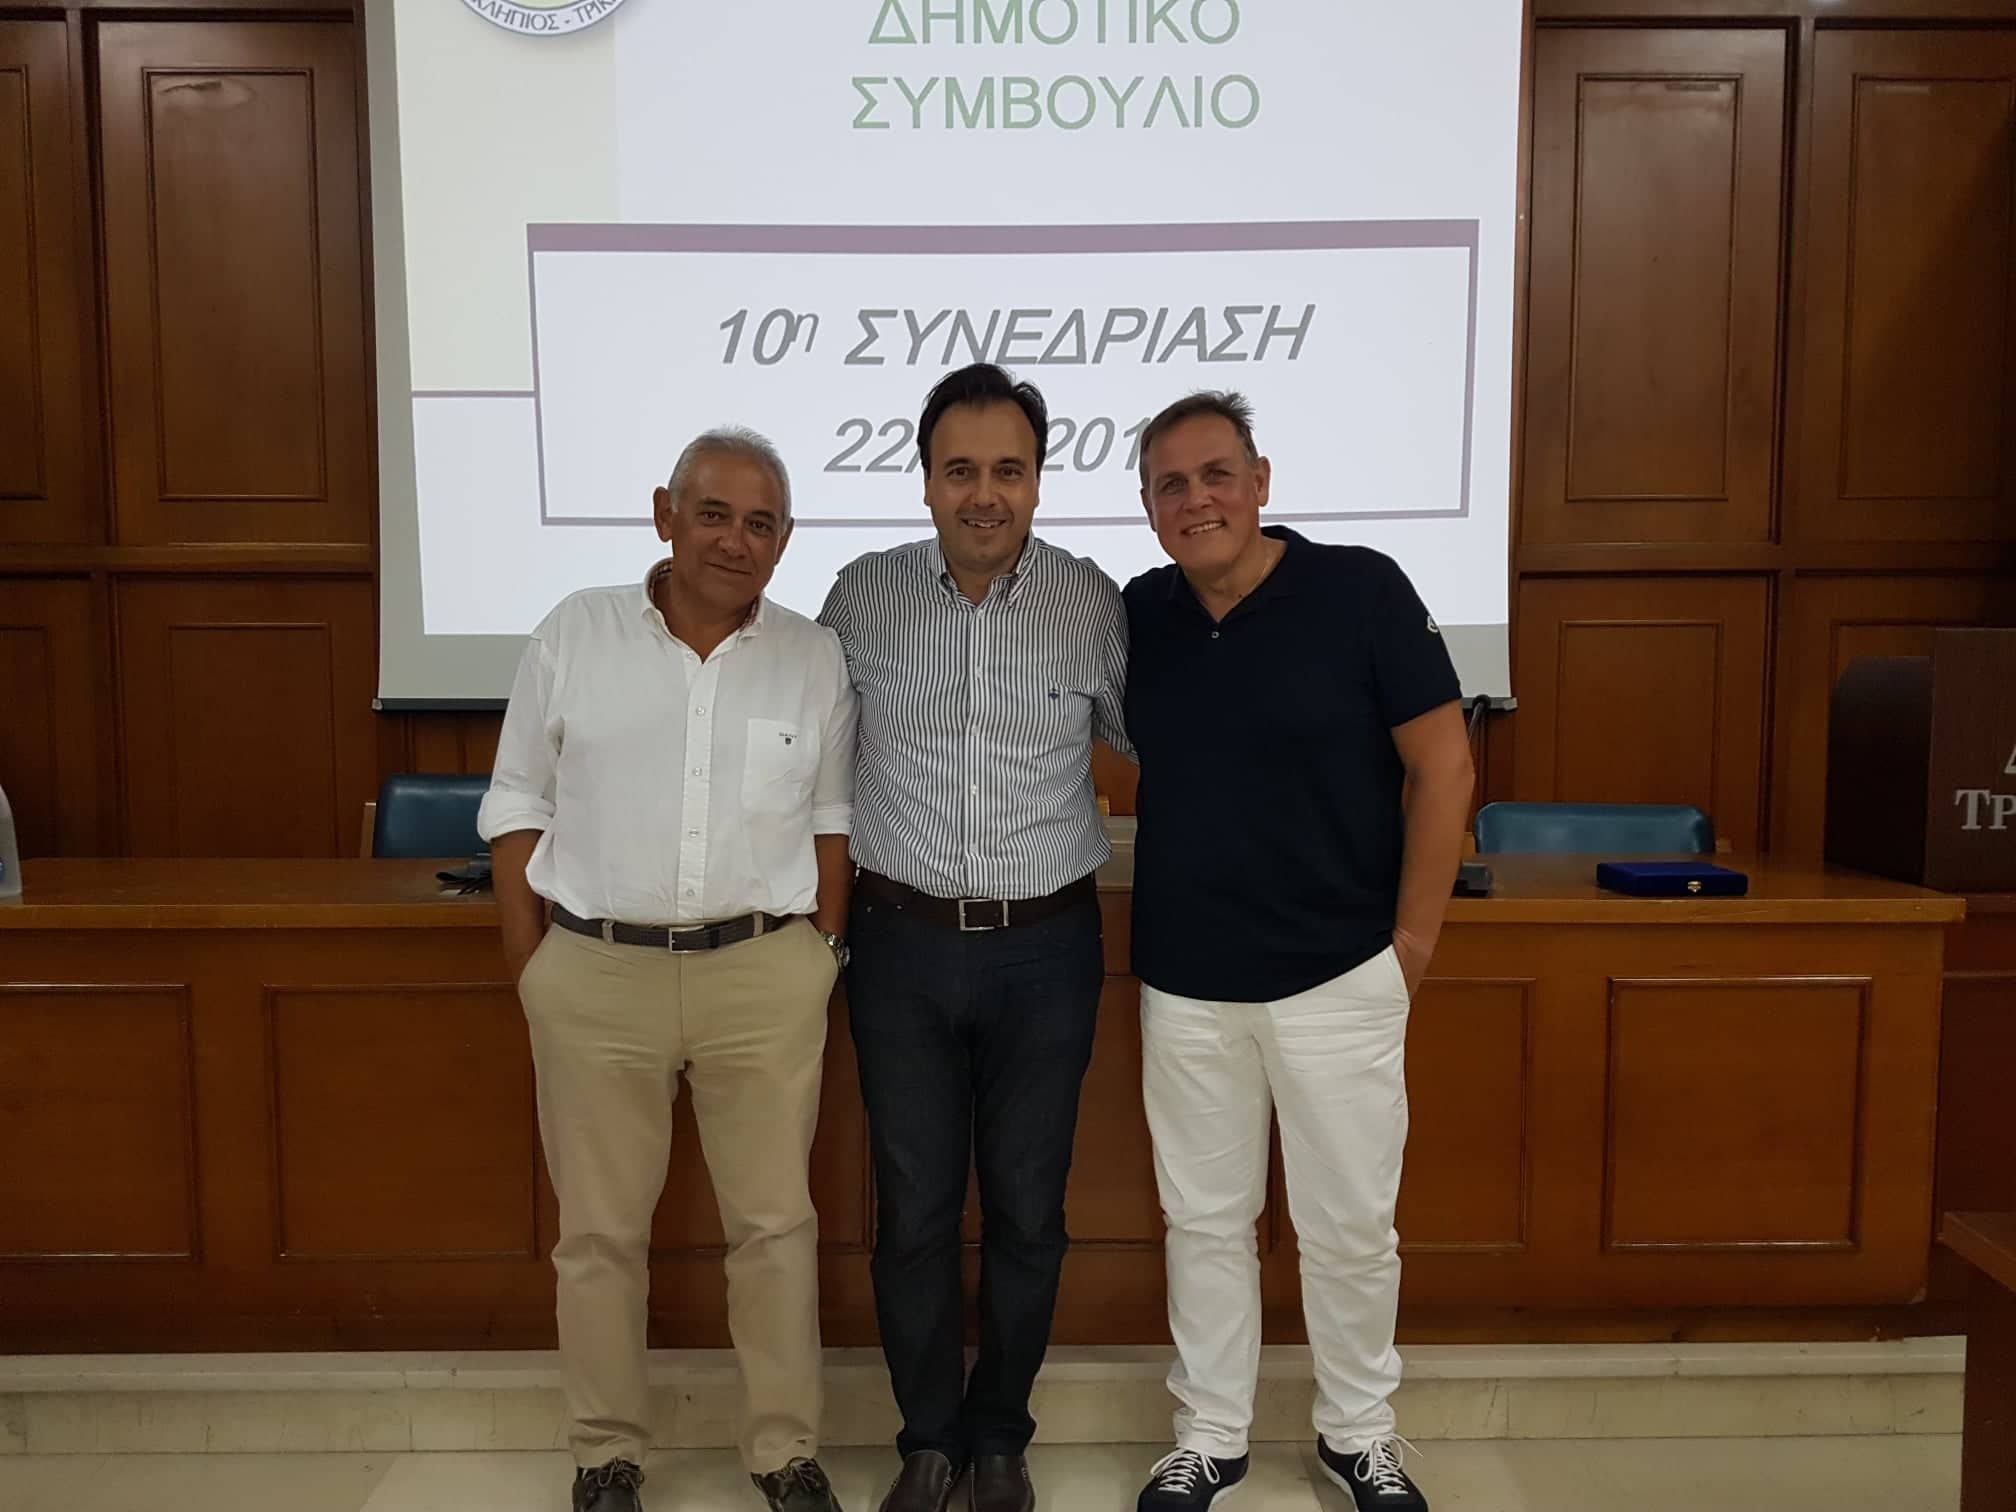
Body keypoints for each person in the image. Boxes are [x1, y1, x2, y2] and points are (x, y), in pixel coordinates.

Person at [480, 428, 858, 1512]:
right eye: (714, 515)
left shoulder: (812, 656)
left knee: (775, 1229)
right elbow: (516, 802)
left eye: (760, 524)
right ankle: (606, 1453)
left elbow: (832, 820)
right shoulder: (576, 633)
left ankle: (783, 1452)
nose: (735, 541)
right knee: (599, 1235)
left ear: (784, 540)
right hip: (596, 974)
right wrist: (534, 966)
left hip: (763, 975)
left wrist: (821, 954)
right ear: (665, 514)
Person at [1121, 393, 1473, 1512]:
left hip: (1339, 972)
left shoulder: (1361, 590)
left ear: (1261, 481)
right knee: (1203, 1223)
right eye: (1171, 485)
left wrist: (1412, 942)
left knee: (1349, 1228)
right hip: (1185, 981)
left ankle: (1359, 1435)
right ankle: (1211, 1435)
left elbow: (1445, 767)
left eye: (1216, 474)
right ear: (1149, 508)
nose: (1197, 500)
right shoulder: (1139, 613)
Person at [817, 363, 1130, 1512]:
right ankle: (928, 1440)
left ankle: (1001, 1436)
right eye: (960, 470)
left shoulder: (1092, 603)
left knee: (1028, 1207)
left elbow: (1172, 742)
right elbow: (803, 761)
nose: (984, 494)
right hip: (898, 945)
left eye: (1008, 470)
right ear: (925, 482)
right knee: (910, 1207)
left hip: (1047, 952)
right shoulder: (862, 596)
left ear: (1039, 481)